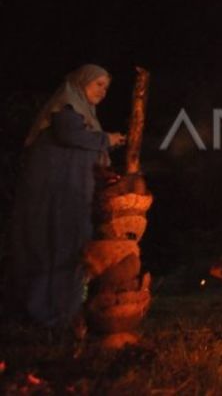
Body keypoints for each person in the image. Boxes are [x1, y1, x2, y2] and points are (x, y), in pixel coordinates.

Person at [6, 64, 126, 328]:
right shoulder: (66, 106)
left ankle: (64, 312)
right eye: (98, 84)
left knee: (72, 249)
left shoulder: (85, 114)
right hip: (53, 196)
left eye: (106, 87)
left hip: (73, 195)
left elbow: (85, 146)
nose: (103, 92)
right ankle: (43, 314)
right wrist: (105, 139)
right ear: (81, 82)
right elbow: (70, 135)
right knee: (50, 247)